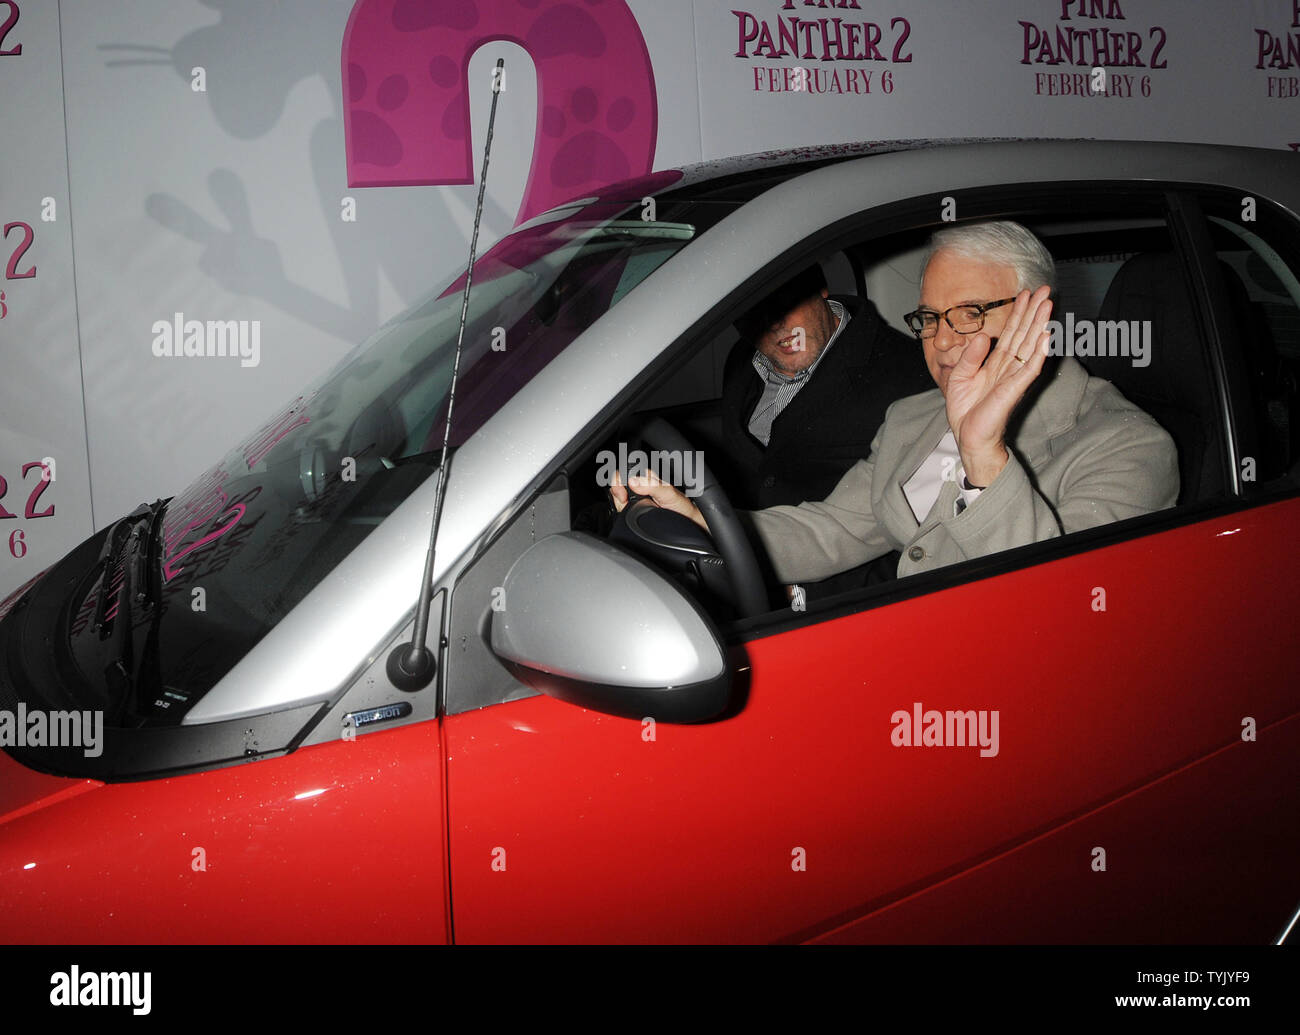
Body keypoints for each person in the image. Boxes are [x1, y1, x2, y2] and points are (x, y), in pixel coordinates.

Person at [612, 221, 1179, 588]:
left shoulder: (1128, 448)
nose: (945, 340)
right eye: (931, 318)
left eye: (972, 313)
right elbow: (832, 528)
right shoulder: (912, 417)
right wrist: (706, 523)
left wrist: (984, 455)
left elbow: (1063, 615)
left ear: (1041, 317)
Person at [719, 265, 931, 511]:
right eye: (750, 309)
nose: (774, 322)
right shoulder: (741, 360)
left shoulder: (909, 373)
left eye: (784, 299)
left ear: (821, 288)